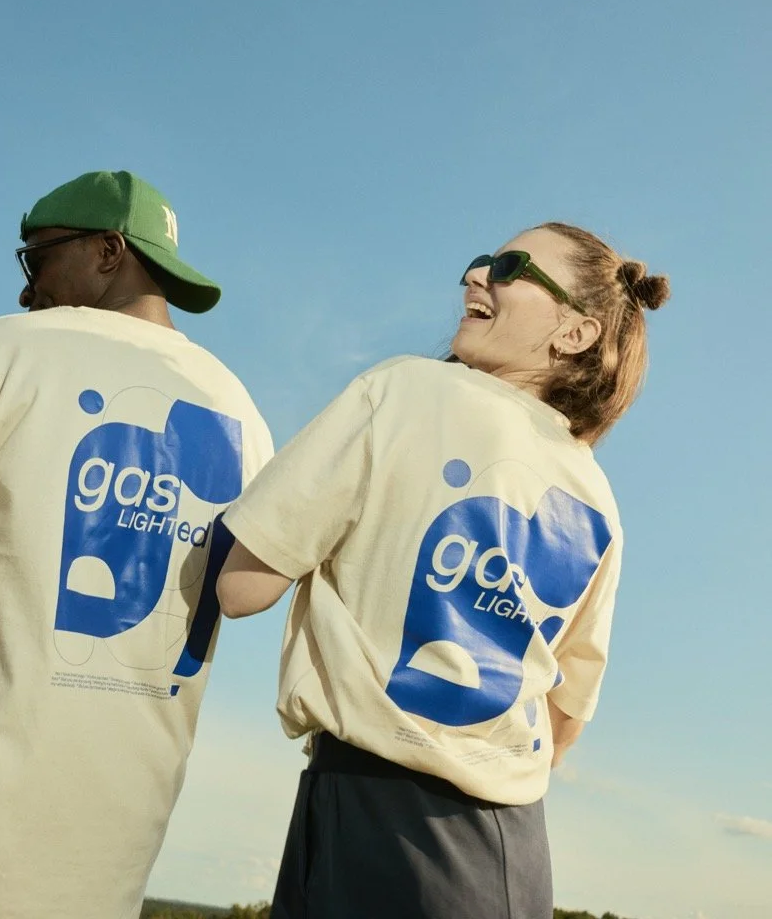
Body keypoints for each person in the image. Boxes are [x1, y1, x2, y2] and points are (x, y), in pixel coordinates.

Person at [216, 222, 670, 919]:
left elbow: (242, 588)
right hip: (513, 847)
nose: (477, 276)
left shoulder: (403, 392)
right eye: (484, 260)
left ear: (574, 333)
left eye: (511, 266)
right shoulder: (595, 497)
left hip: (373, 824)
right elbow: (567, 715)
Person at [0, 170, 273, 919]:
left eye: (36, 257)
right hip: (119, 843)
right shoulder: (243, 415)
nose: (25, 288)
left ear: (108, 250)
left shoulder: (8, 350)